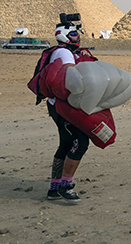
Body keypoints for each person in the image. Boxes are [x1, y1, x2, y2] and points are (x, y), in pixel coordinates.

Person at [45, 19, 92, 203]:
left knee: (65, 143)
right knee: (80, 142)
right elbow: (73, 79)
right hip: (63, 106)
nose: (77, 36)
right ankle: (66, 184)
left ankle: (54, 188)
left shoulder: (61, 52)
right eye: (73, 33)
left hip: (56, 104)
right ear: (62, 35)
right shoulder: (64, 53)